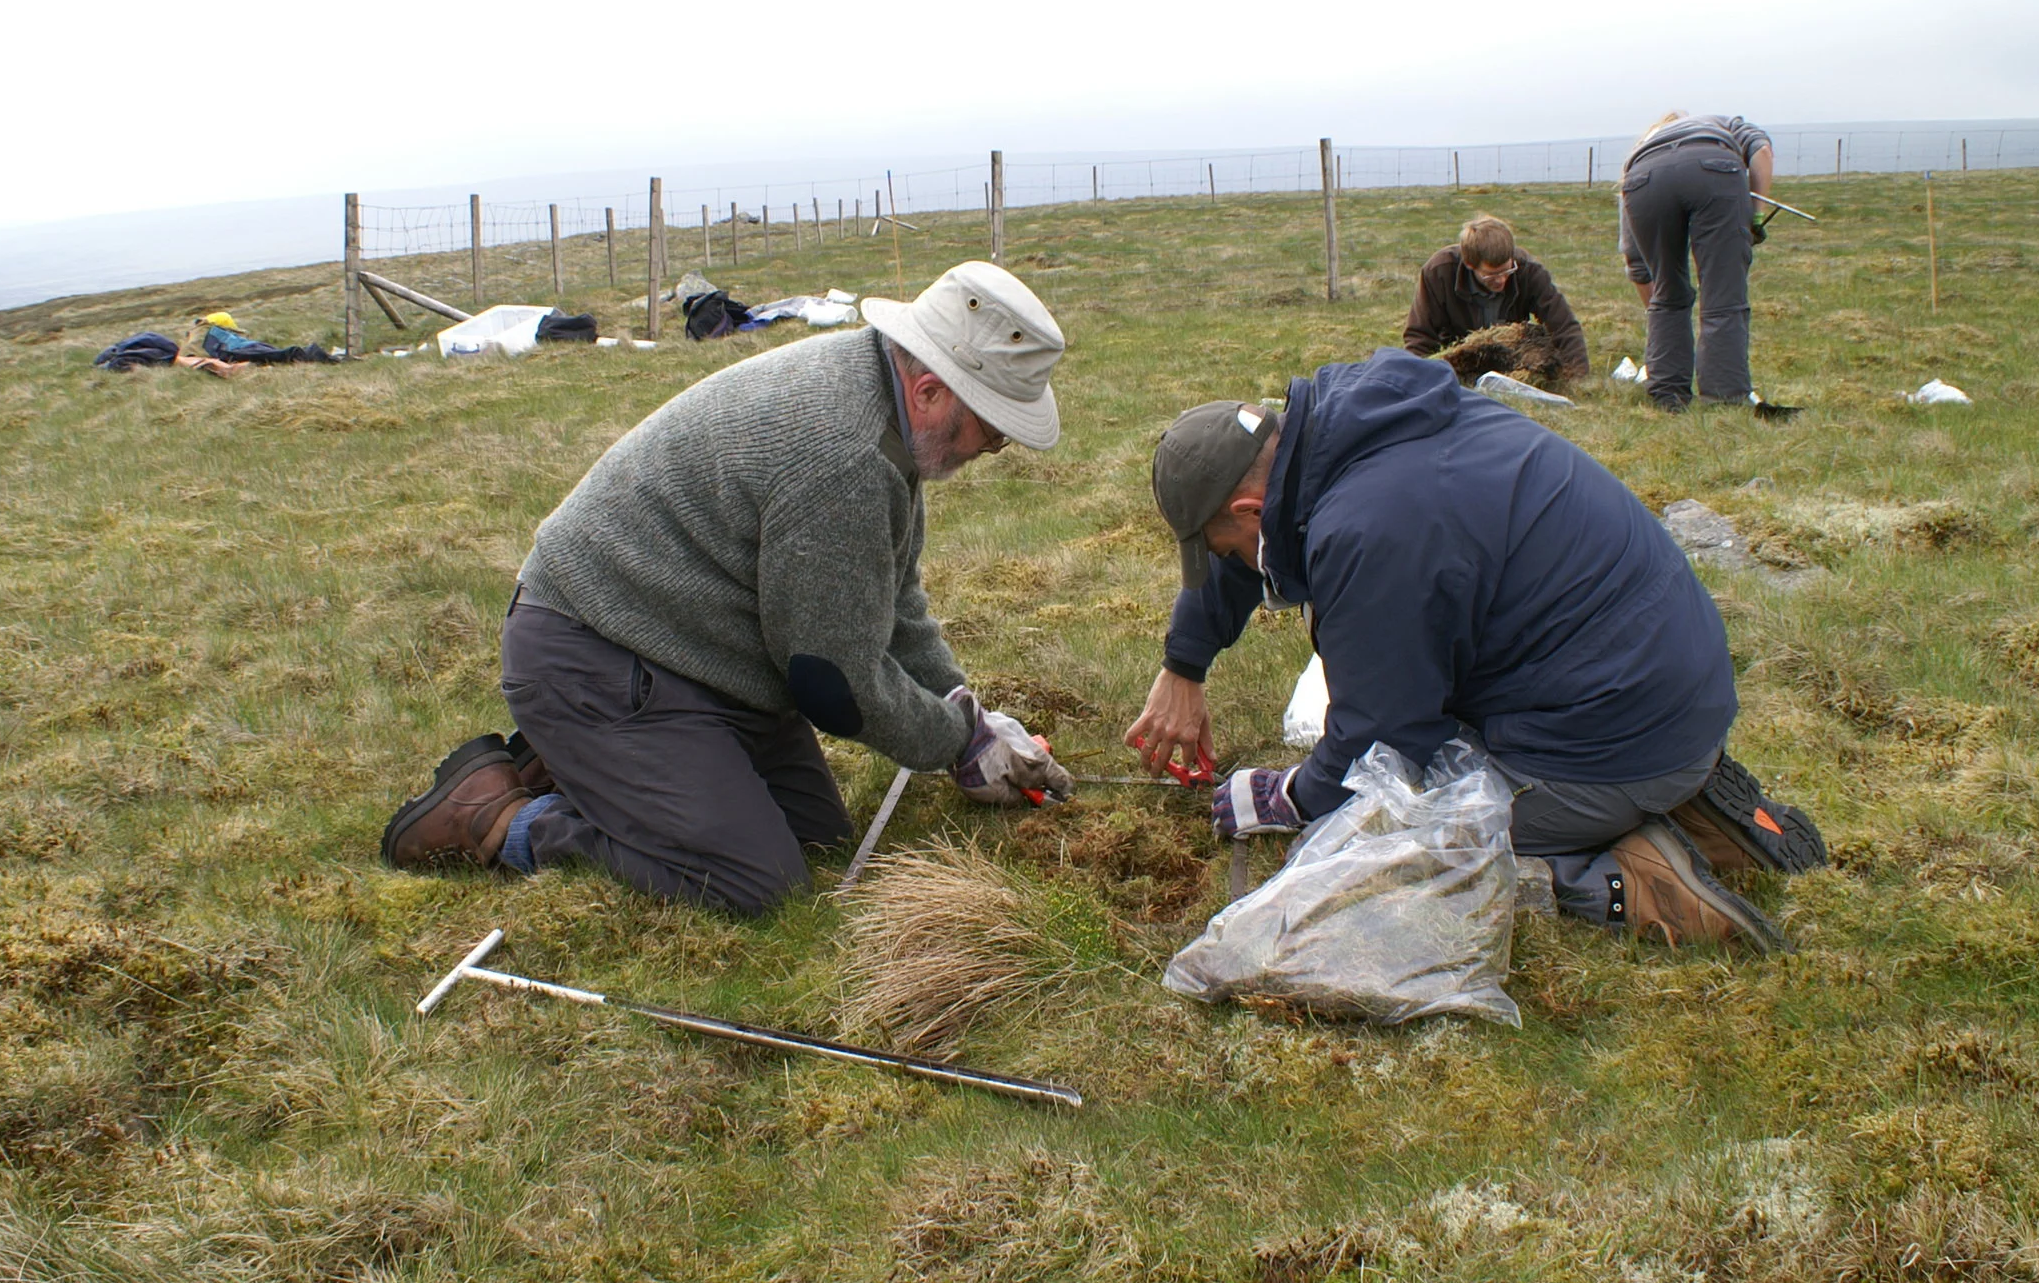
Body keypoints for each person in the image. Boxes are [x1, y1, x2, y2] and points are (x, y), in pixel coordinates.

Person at [380, 261, 1076, 914]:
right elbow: (833, 685)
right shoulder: (846, 456)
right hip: (595, 649)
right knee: (756, 882)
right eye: (993, 431)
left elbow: (894, 603)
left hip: (699, 651)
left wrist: (967, 714)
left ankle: (588, 762)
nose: (992, 450)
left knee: (818, 841)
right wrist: (954, 744)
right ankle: (504, 819)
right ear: (930, 392)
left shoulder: (884, 405)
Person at [1123, 348, 1827, 950]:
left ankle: (1628, 883)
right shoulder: (1352, 429)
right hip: (1657, 694)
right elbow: (1260, 545)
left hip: (1611, 738)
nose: (1233, 565)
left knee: (1383, 845)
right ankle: (1682, 808)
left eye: (1224, 549)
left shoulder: (1371, 530)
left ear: (1249, 510)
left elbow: (1381, 742)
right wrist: (1184, 665)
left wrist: (1291, 796)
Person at [1615, 112, 1774, 410]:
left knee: (1668, 291)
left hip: (1645, 181)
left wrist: (1661, 309)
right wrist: (1755, 214)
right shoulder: (1723, 123)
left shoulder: (1640, 153)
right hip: (1715, 169)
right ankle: (1724, 397)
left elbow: (1635, 258)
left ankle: (1667, 395)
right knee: (1723, 290)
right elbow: (1762, 152)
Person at [1401, 214, 1590, 379]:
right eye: (1491, 275)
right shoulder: (1439, 272)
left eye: (1507, 271)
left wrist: (1578, 378)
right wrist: (1420, 378)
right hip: (1458, 365)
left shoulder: (1529, 271)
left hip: (1512, 362)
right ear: (1470, 264)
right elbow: (1419, 336)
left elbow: (1563, 326)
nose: (1501, 280)